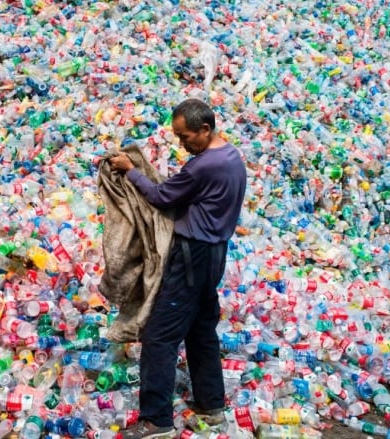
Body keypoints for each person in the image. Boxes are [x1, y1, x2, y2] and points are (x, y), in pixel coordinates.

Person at [108, 98, 247, 439]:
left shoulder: (203, 166)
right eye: (178, 136)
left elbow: (160, 196)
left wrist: (131, 170)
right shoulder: (232, 157)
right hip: (215, 254)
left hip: (191, 256)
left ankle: (157, 421)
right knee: (201, 330)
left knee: (159, 336)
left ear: (205, 129)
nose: (182, 144)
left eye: (186, 137)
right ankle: (211, 405)